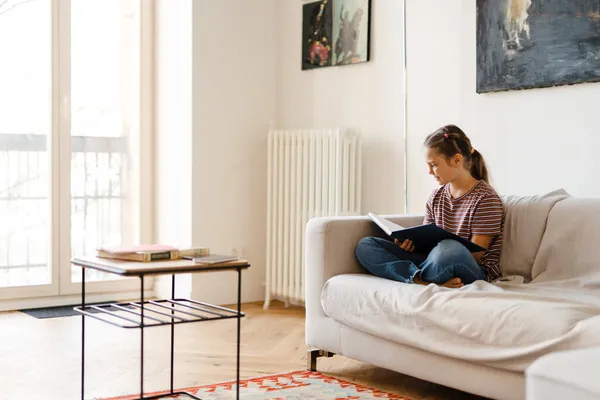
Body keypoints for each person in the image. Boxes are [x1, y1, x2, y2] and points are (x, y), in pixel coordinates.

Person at [355, 125, 504, 288]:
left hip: (471, 269)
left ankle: (415, 276)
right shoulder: (436, 197)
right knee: (366, 245)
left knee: (450, 248)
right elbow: (426, 242)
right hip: (433, 261)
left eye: (434, 165)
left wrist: (441, 251)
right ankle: (421, 280)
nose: (430, 172)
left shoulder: (486, 198)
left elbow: (477, 254)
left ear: (457, 160)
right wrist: (411, 245)